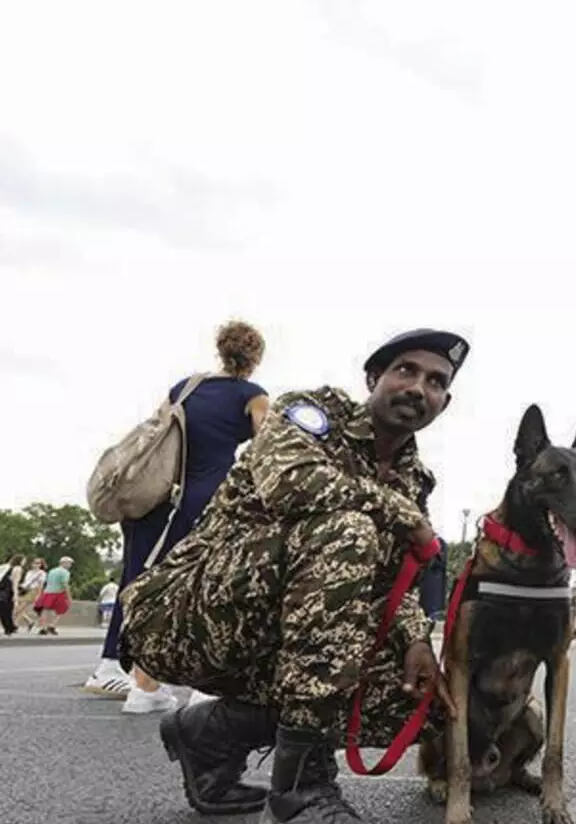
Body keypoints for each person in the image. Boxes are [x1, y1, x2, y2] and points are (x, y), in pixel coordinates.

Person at [119, 328, 467, 822]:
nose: (417, 387)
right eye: (405, 370)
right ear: (373, 378)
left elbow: (393, 581)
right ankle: (299, 787)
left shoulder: (414, 478)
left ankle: (213, 732)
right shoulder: (310, 414)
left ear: (443, 403)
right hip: (184, 615)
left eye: (435, 381)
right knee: (347, 532)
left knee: (416, 702)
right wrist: (402, 514)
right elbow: (290, 482)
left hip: (282, 633)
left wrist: (415, 640)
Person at [84, 320, 271, 712]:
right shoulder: (253, 395)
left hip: (158, 494)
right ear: (254, 358)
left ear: (221, 350)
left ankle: (134, 679)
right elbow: (269, 446)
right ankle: (203, 686)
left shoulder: (186, 386)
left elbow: (160, 430)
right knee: (206, 585)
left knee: (140, 581)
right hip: (210, 496)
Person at [33, 557, 74, 634]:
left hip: (47, 591)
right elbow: (65, 584)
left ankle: (43, 628)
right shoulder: (65, 572)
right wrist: (69, 596)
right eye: (69, 563)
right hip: (58, 592)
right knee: (61, 609)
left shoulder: (52, 571)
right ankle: (52, 625)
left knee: (45, 609)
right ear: (63, 563)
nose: (70, 565)